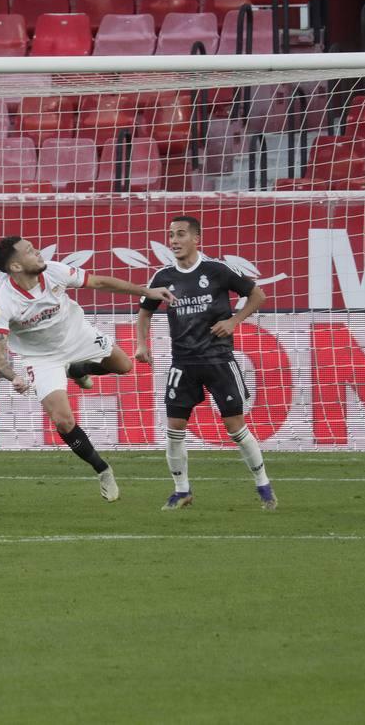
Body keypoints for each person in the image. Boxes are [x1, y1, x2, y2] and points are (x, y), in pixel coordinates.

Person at [0, 236, 175, 502]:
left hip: (78, 336)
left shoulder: (54, 271)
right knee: (63, 421)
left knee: (124, 366)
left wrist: (147, 291)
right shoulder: (2, 300)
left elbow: (99, 282)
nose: (38, 252)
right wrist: (13, 376)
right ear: (16, 267)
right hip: (42, 358)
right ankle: (103, 470)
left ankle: (76, 369)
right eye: (30, 251)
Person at [134, 215, 277, 511]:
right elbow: (145, 311)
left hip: (218, 360)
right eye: (171, 235)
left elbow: (257, 294)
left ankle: (264, 486)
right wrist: (141, 344)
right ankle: (181, 490)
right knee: (174, 427)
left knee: (235, 426)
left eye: (181, 234)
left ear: (196, 239)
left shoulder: (217, 270)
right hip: (182, 363)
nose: (174, 240)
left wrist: (234, 321)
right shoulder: (162, 277)